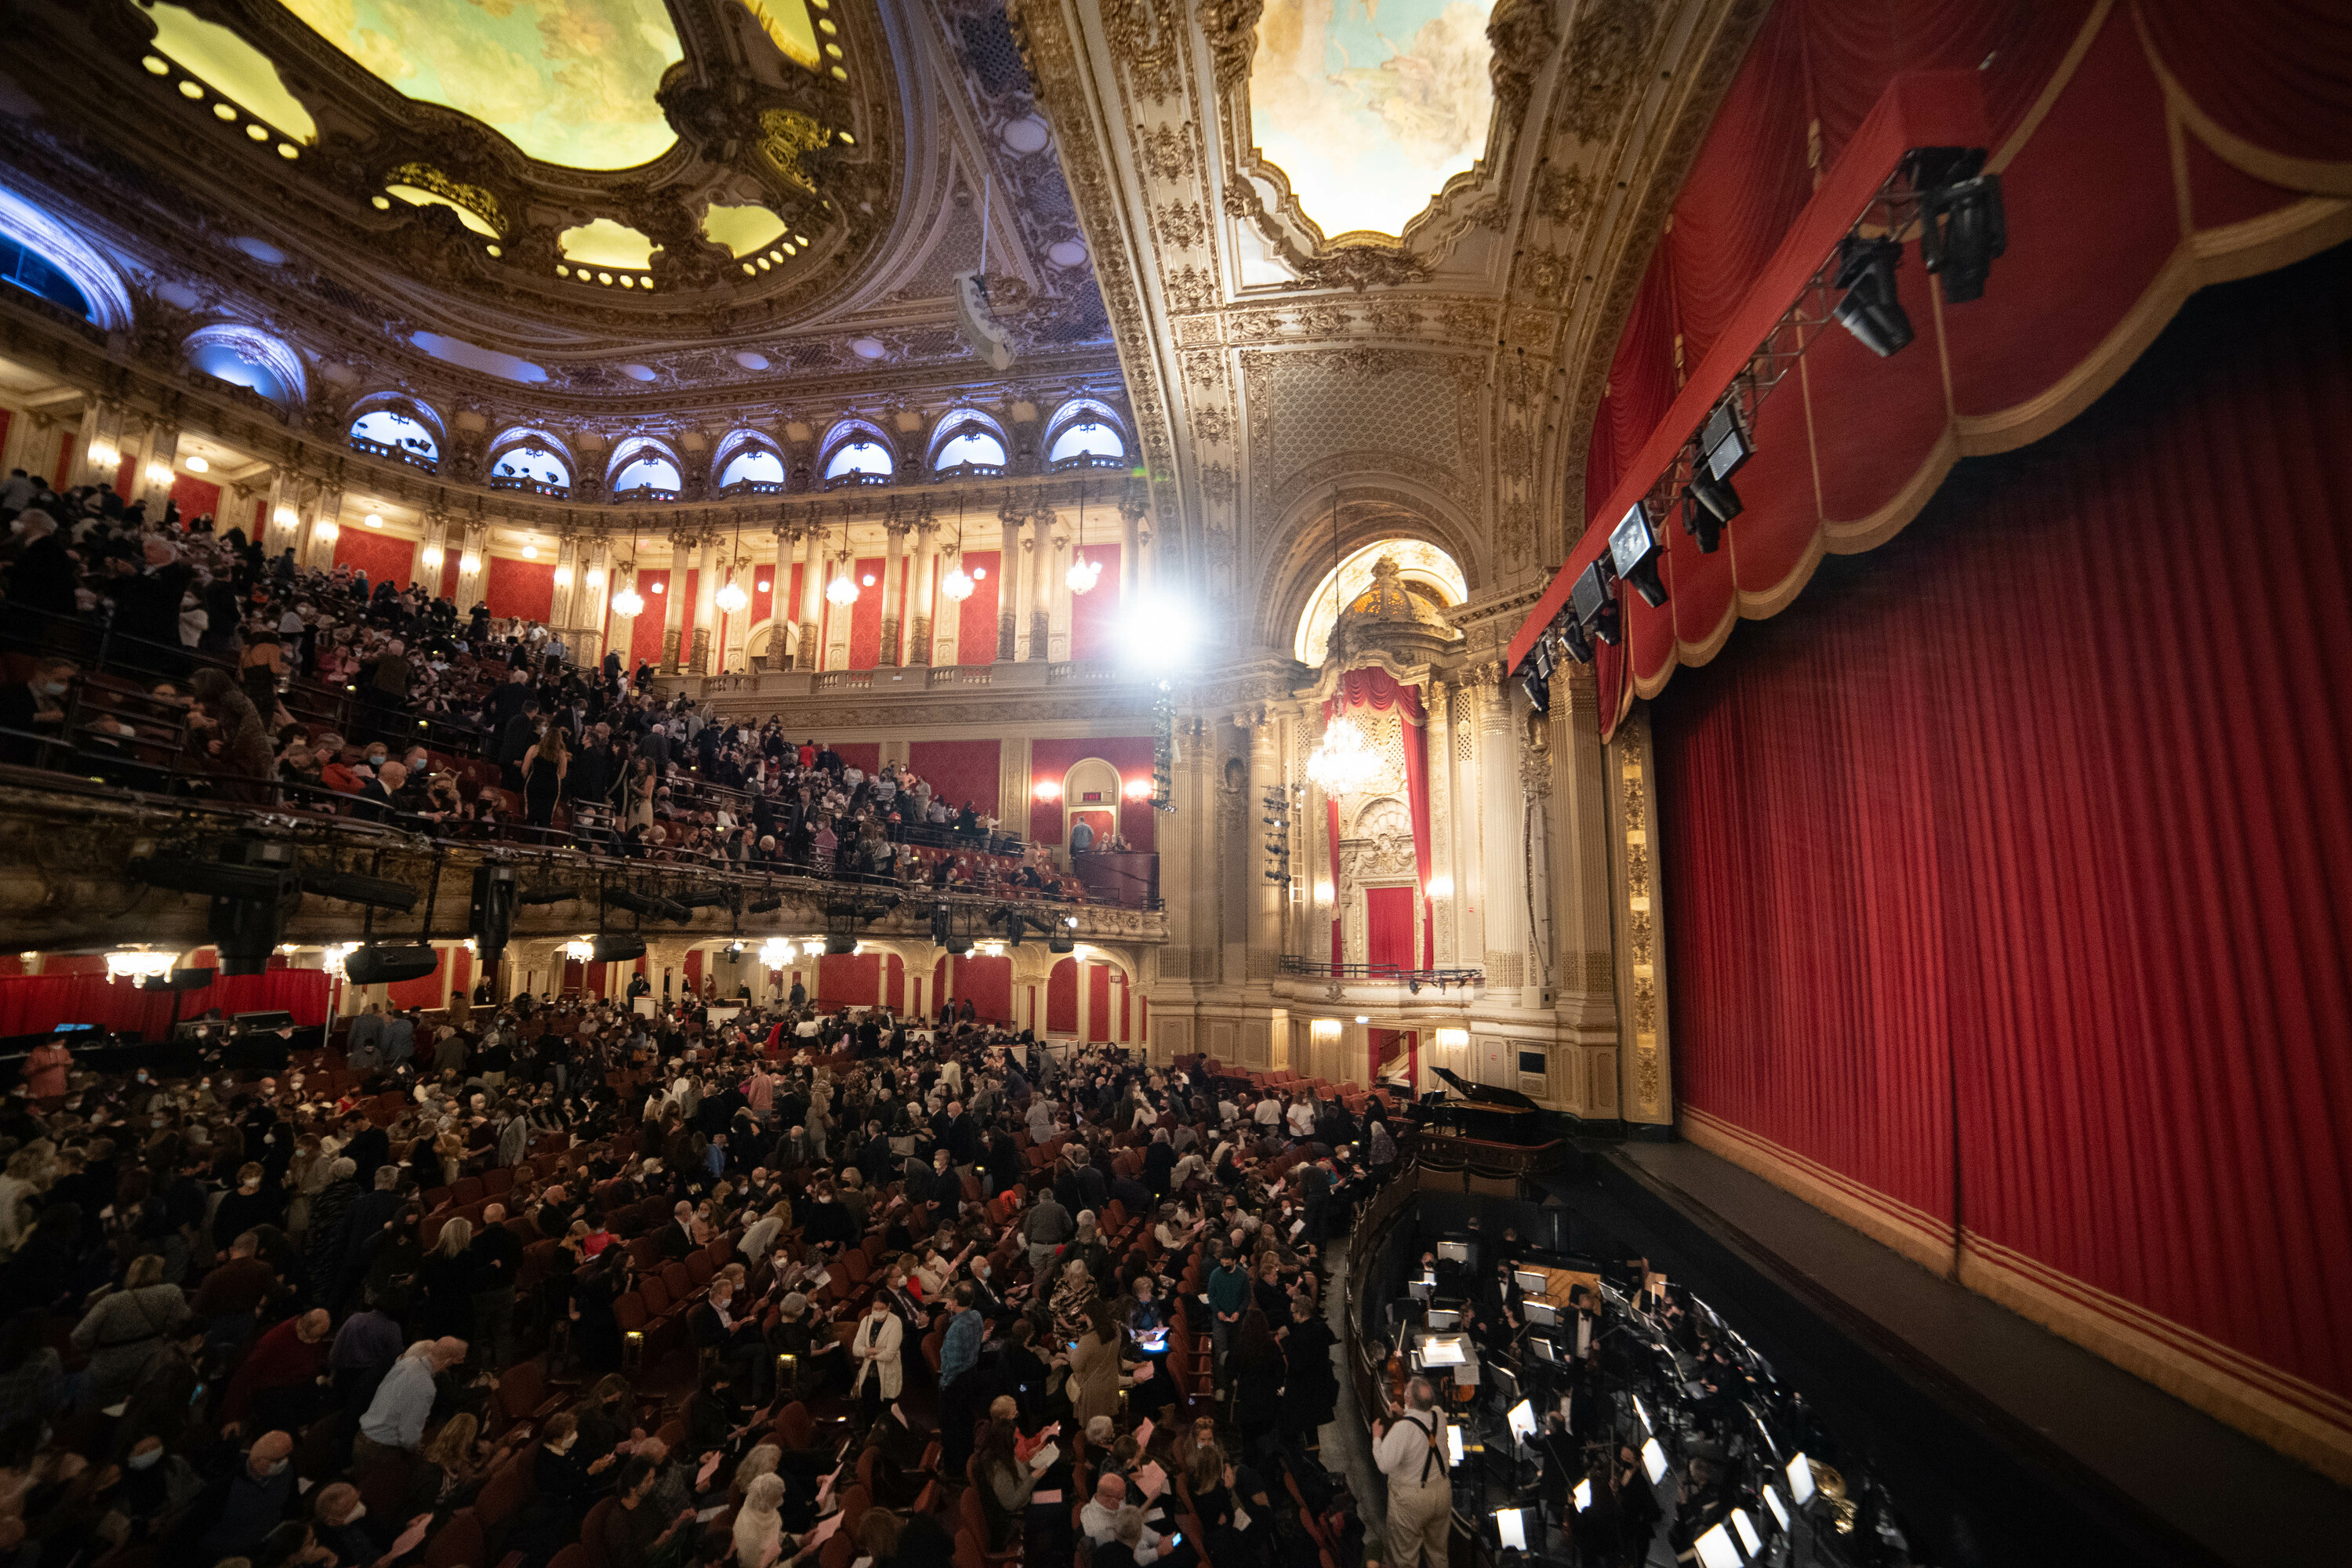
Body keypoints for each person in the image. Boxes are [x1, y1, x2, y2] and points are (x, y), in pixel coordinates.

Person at [1373, 1377, 1453, 1568]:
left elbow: (1384, 1464)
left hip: (1411, 1502)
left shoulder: (1403, 1429)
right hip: (1442, 1493)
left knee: (1405, 1557)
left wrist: (1377, 1438)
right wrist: (1405, 1414)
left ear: (1408, 1400)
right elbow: (1421, 1424)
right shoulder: (1439, 1415)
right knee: (1438, 1554)